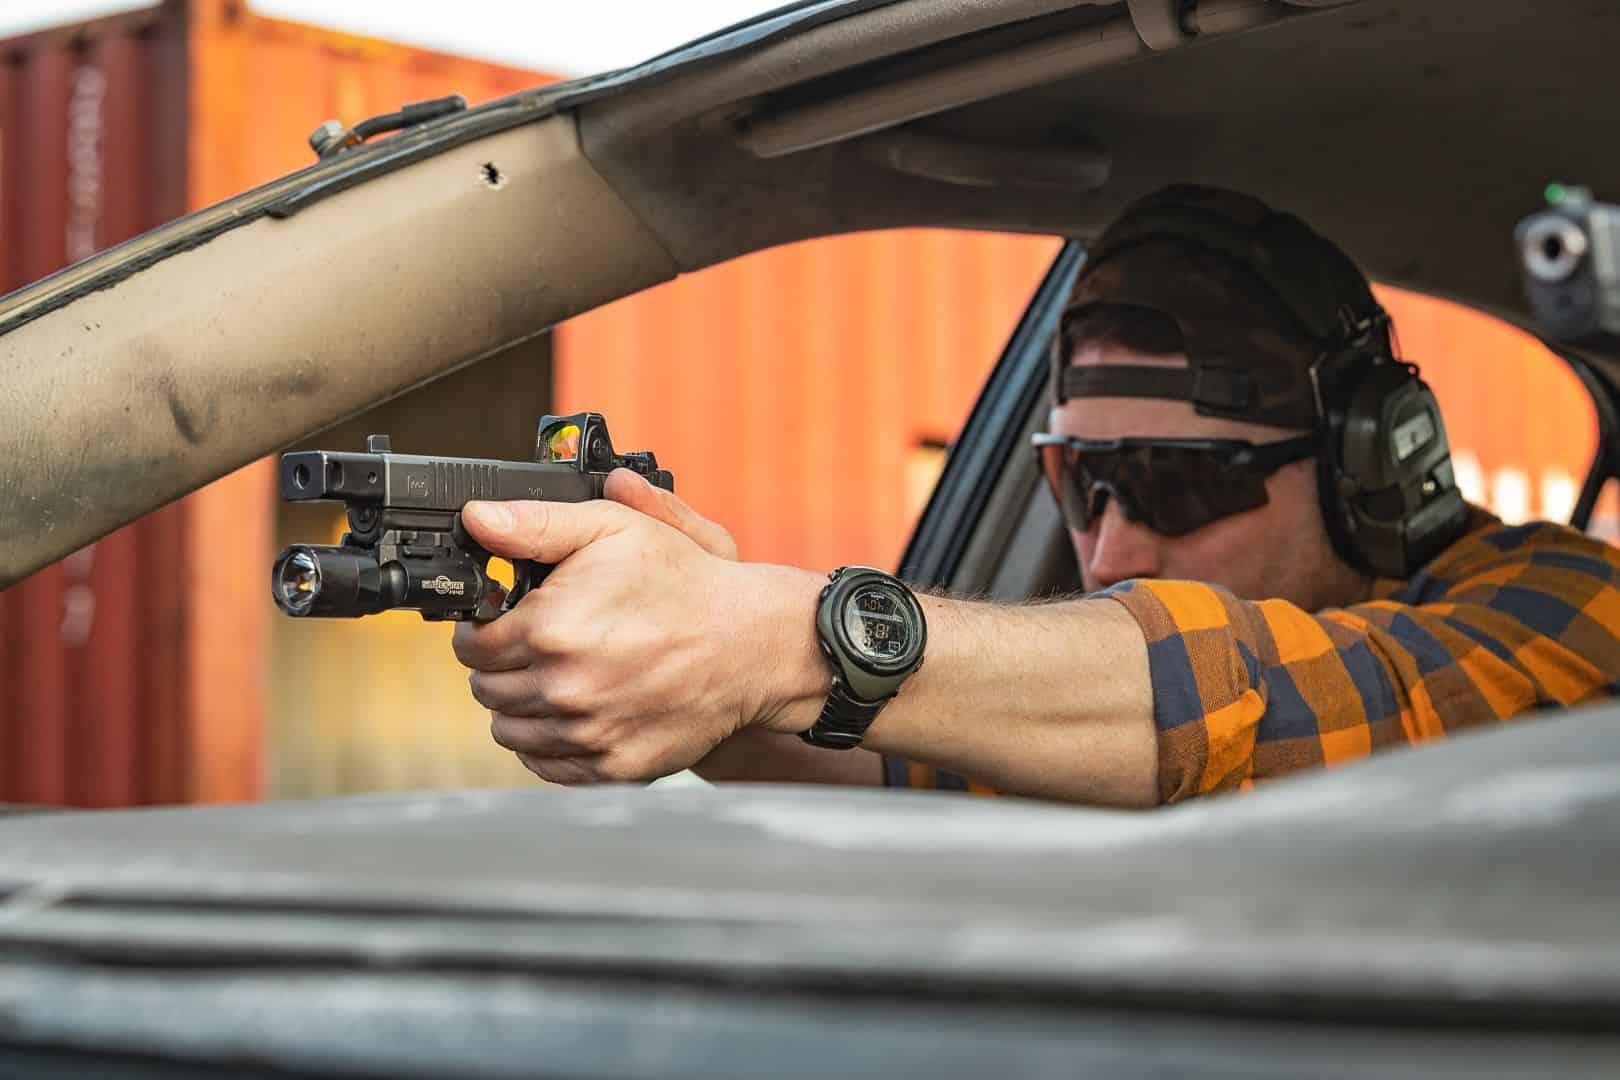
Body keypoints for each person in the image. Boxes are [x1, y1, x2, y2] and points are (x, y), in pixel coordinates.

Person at [450, 185, 1620, 807]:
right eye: (1082, 480)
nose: (1111, 548)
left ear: (1369, 465)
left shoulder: (1571, 606)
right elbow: (910, 763)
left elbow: (1272, 697)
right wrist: (694, 664)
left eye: (1174, 482)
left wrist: (782, 635)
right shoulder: (1086, 714)